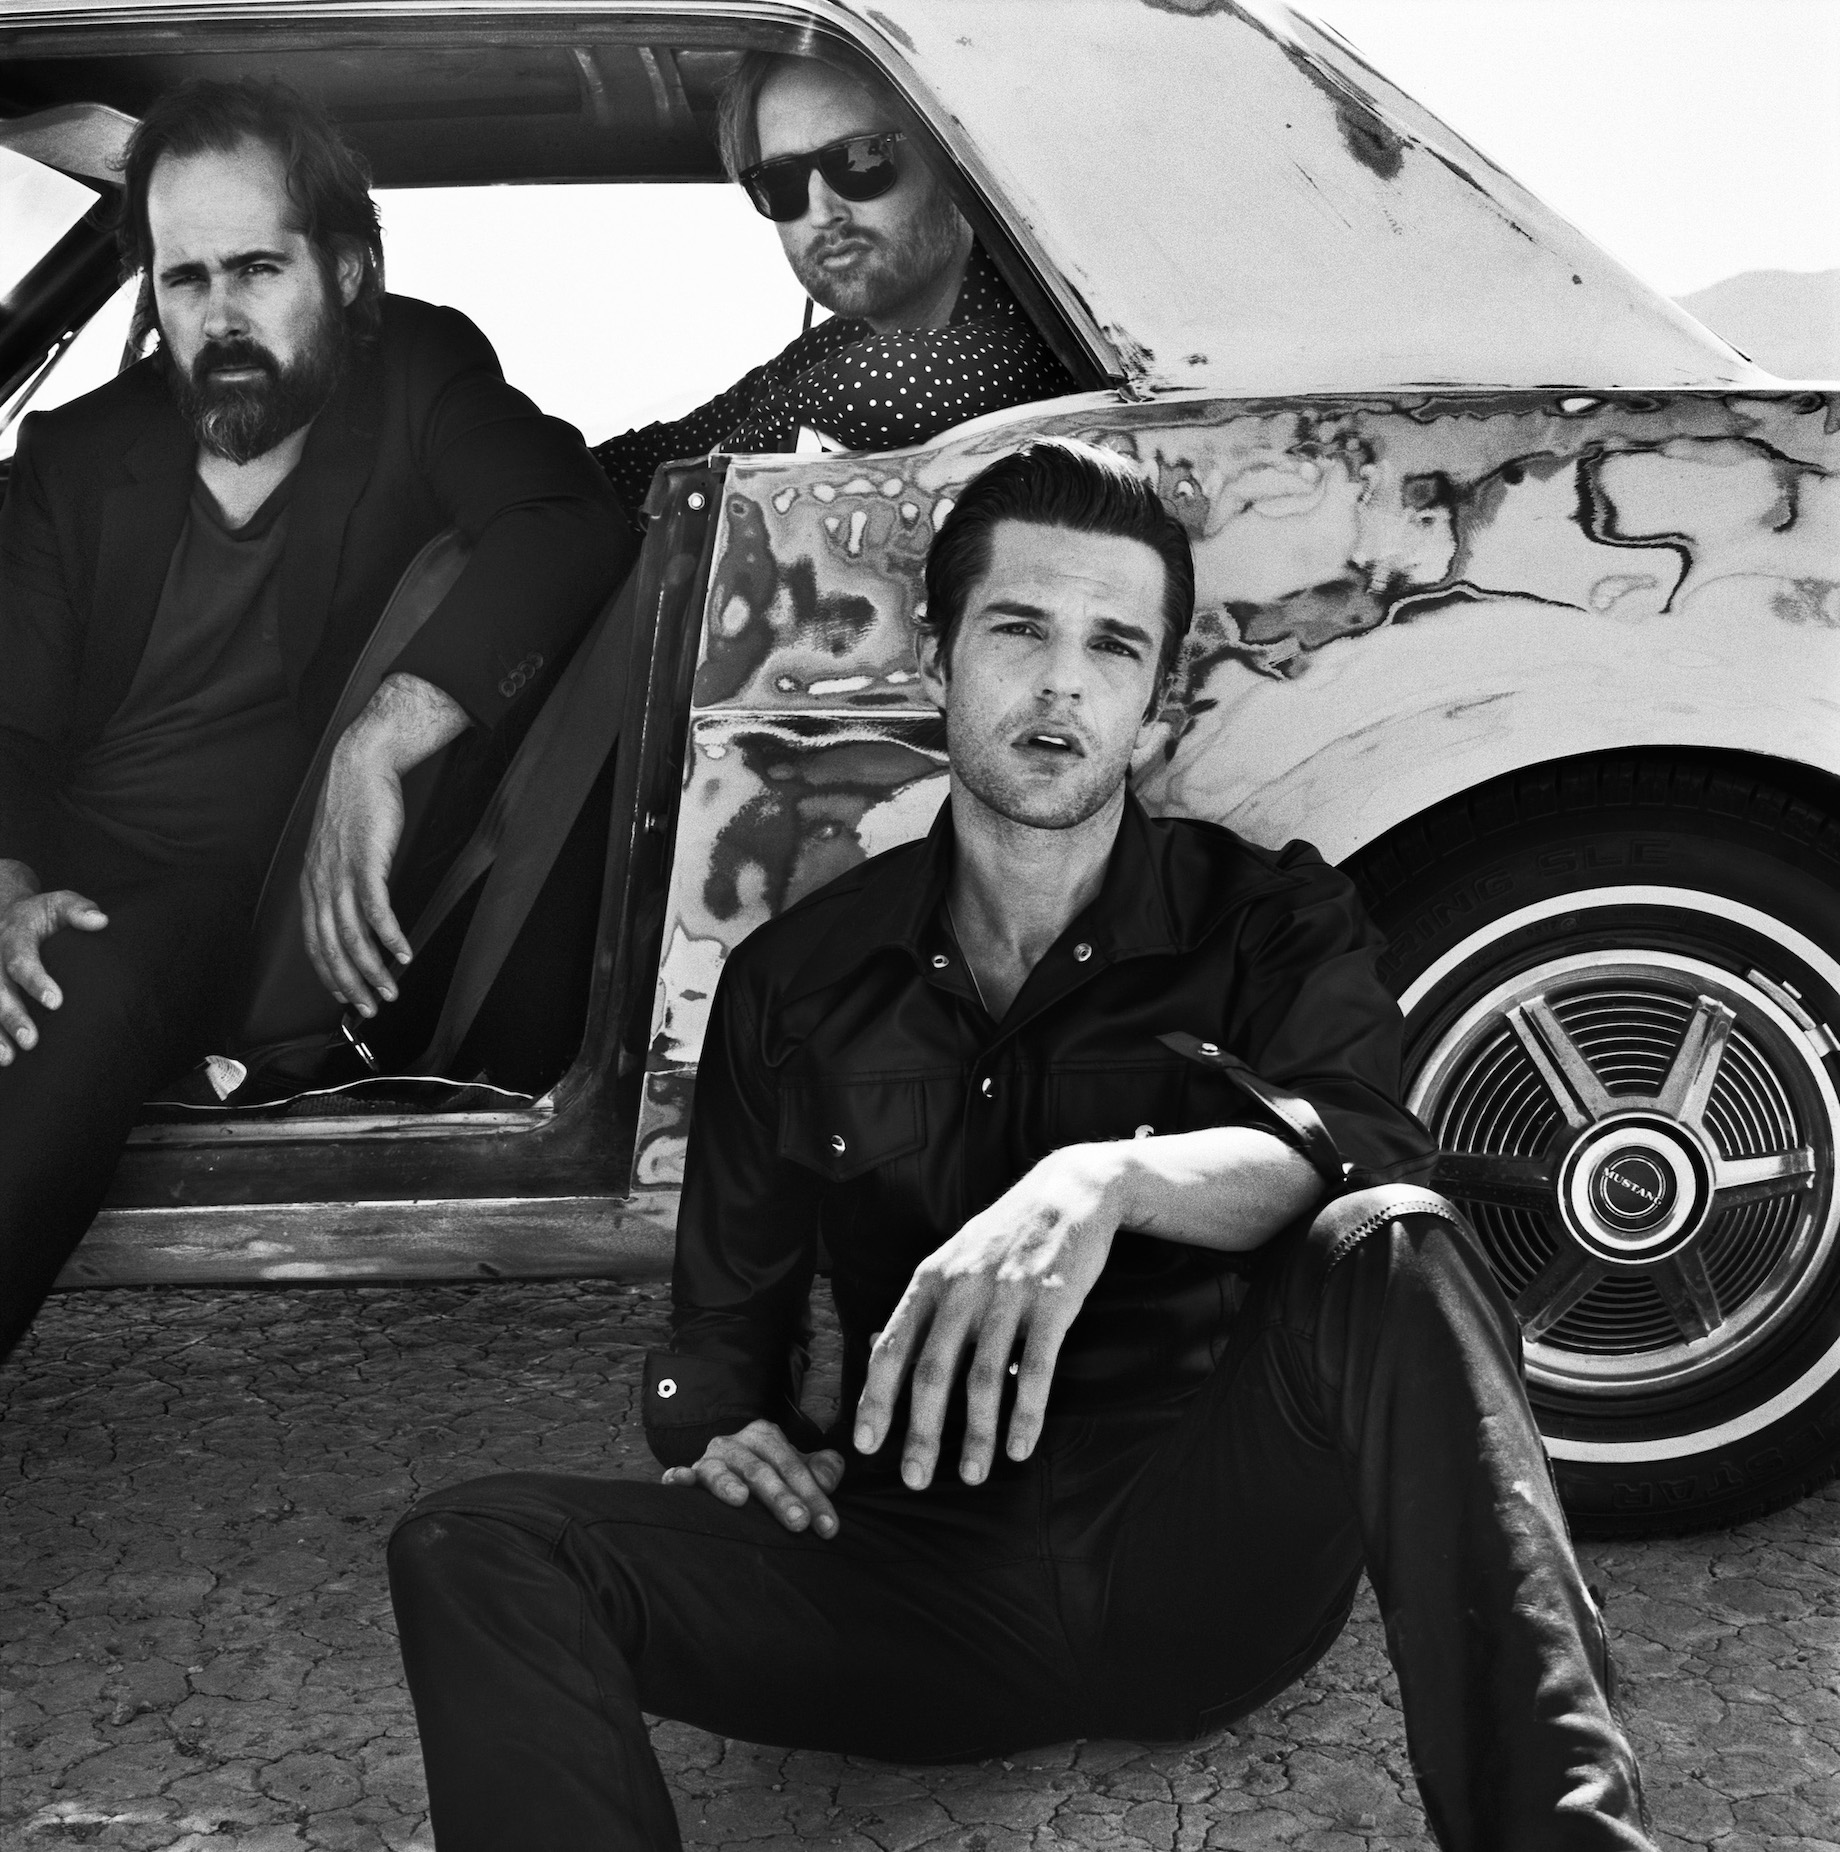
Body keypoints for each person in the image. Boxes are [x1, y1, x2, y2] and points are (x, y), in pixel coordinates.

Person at [388, 440, 1654, 1851]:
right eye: (1019, 630)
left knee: (1395, 1236)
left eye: (1112, 646)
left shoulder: (1270, 923)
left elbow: (1364, 1150)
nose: (1062, 685)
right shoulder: (795, 983)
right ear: (939, 658)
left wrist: (1107, 1181)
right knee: (475, 1547)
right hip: (910, 1583)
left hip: (1203, 1567)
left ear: (1157, 703)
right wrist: (728, 1436)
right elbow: (723, 1332)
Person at [0, 78, 630, 1361]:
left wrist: (381, 736)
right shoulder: (76, 454)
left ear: (346, 270)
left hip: (235, 895)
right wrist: (6, 883)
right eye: (185, 280)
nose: (220, 317)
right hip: (63, 855)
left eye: (257, 269)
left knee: (85, 980)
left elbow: (565, 517)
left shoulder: (418, 374)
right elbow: (8, 725)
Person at [594, 51, 1073, 516]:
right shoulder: (838, 343)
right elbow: (668, 447)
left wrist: (698, 485)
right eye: (780, 181)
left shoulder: (1045, 321)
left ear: (948, 161)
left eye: (860, 159)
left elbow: (881, 385)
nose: (822, 213)